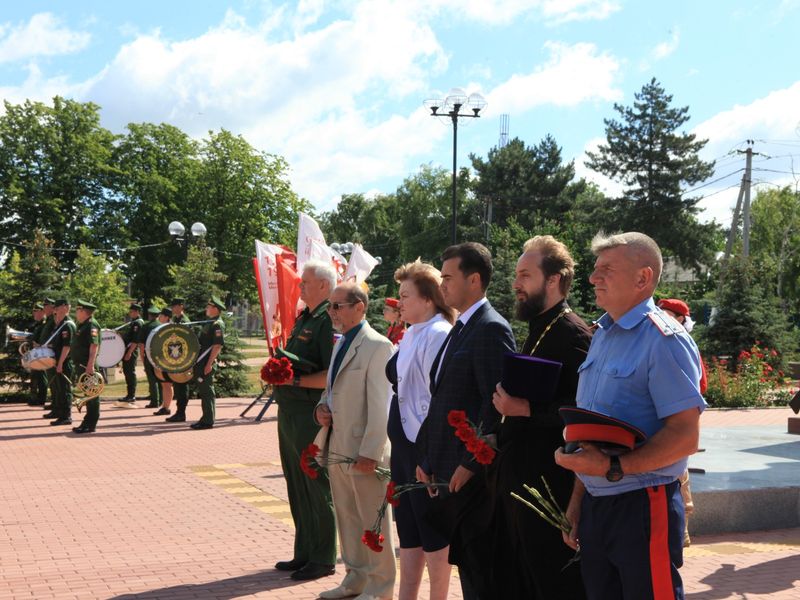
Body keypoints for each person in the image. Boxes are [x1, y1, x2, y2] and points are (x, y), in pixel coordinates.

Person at [555, 232, 706, 600]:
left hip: (643, 505)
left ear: (643, 278)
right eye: (595, 269)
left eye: (607, 270)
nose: (593, 278)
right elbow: (592, 438)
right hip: (598, 505)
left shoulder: (664, 339)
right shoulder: (603, 334)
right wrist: (577, 501)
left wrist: (614, 467)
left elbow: (685, 436)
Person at [489, 235, 592, 599]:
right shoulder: (539, 326)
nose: (515, 283)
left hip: (551, 488)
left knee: (555, 586)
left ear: (553, 280)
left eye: (525, 275)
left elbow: (583, 411)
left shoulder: (574, 333)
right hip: (521, 484)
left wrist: (525, 409)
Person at [415, 242, 516, 600]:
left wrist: (471, 464)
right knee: (468, 570)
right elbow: (442, 399)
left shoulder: (490, 328)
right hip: (447, 469)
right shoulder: (462, 326)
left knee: (481, 573)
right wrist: (428, 460)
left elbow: (496, 407)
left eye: (447, 277)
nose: (440, 284)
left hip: (473, 479)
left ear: (474, 280)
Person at [314, 282, 395, 600]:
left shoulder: (378, 345)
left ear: (359, 307)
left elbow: (381, 405)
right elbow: (331, 390)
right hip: (337, 445)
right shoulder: (341, 343)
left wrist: (371, 452)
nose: (331, 312)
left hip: (363, 450)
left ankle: (380, 586)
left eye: (337, 306)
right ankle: (355, 579)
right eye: (329, 306)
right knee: (347, 516)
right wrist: (321, 408)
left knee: (372, 520)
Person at [387, 260, 455, 600]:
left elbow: (436, 398)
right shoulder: (412, 332)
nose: (399, 302)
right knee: (409, 533)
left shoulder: (438, 333)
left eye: (405, 296)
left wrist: (428, 456)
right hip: (403, 450)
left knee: (433, 535)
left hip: (422, 450)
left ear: (428, 299)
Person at [272, 260, 338, 582]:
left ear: (324, 285)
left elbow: (331, 374)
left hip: (310, 414)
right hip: (290, 411)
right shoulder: (305, 318)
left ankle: (323, 557)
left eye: (305, 283)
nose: (300, 287)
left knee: (315, 482)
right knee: (296, 483)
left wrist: (294, 380)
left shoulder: (327, 320)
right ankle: (305, 550)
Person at [657, 297, 706, 547]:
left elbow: (700, 386)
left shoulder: (682, 343)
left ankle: (682, 533)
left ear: (681, 319)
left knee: (680, 475)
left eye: (667, 313)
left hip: (677, 426)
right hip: (660, 426)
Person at [190, 296, 225, 430]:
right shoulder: (210, 322)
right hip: (201, 362)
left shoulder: (217, 324)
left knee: (207, 392)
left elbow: (217, 346)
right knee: (204, 392)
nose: (206, 308)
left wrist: (209, 364)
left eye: (209, 307)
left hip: (206, 363)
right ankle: (205, 418)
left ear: (215, 309)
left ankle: (208, 421)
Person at [71, 300, 102, 434]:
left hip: (87, 366)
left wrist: (90, 365)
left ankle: (90, 424)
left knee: (92, 396)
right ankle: (87, 423)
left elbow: (94, 346)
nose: (76, 313)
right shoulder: (83, 325)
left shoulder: (91, 325)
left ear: (83, 311)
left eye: (78, 310)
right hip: (82, 365)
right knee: (88, 395)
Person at [49, 299, 76, 426]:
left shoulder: (67, 325)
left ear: (65, 307)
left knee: (65, 390)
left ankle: (66, 416)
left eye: (57, 307)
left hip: (64, 363)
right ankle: (61, 415)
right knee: (60, 390)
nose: (55, 310)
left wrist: (60, 363)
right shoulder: (60, 324)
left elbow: (67, 347)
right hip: (58, 361)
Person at [166, 298, 191, 423]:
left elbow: (186, 339)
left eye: (175, 306)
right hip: (175, 356)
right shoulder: (175, 320)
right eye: (172, 306)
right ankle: (179, 412)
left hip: (183, 357)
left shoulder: (184, 321)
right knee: (177, 384)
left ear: (181, 306)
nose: (173, 308)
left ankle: (181, 413)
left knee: (181, 384)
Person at [117, 303, 144, 408]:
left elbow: (135, 340)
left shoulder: (138, 323)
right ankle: (129, 394)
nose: (130, 313)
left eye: (132, 311)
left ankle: (131, 395)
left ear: (137, 312)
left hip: (131, 351)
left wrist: (129, 353)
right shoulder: (133, 322)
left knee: (130, 373)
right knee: (127, 372)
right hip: (127, 350)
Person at [139, 306, 164, 413]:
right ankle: (162, 400)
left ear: (149, 315)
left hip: (149, 356)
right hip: (160, 356)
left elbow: (141, 344)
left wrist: (142, 357)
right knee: (161, 378)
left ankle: (155, 401)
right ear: (158, 315)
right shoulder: (162, 326)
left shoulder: (146, 326)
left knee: (152, 379)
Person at [39, 297, 57, 414]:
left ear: (52, 307)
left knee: (55, 382)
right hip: (47, 353)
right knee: (52, 381)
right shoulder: (49, 320)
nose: (44, 308)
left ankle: (57, 405)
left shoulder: (54, 320)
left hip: (52, 353)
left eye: (46, 306)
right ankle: (55, 403)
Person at [27, 303, 48, 406]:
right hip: (35, 353)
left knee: (41, 377)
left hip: (41, 353)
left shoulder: (44, 324)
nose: (34, 313)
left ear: (42, 312)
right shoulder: (37, 325)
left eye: (36, 311)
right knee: (35, 376)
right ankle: (35, 398)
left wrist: (38, 345)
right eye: (33, 311)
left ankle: (42, 398)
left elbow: (45, 339)